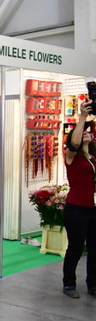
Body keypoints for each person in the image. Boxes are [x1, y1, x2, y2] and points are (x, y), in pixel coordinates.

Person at [62, 100, 96, 299]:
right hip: (76, 208)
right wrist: (82, 117)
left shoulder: (93, 157)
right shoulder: (72, 157)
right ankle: (69, 284)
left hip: (93, 208)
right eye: (82, 132)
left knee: (94, 248)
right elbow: (74, 144)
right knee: (75, 248)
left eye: (87, 132)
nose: (85, 134)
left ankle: (93, 284)